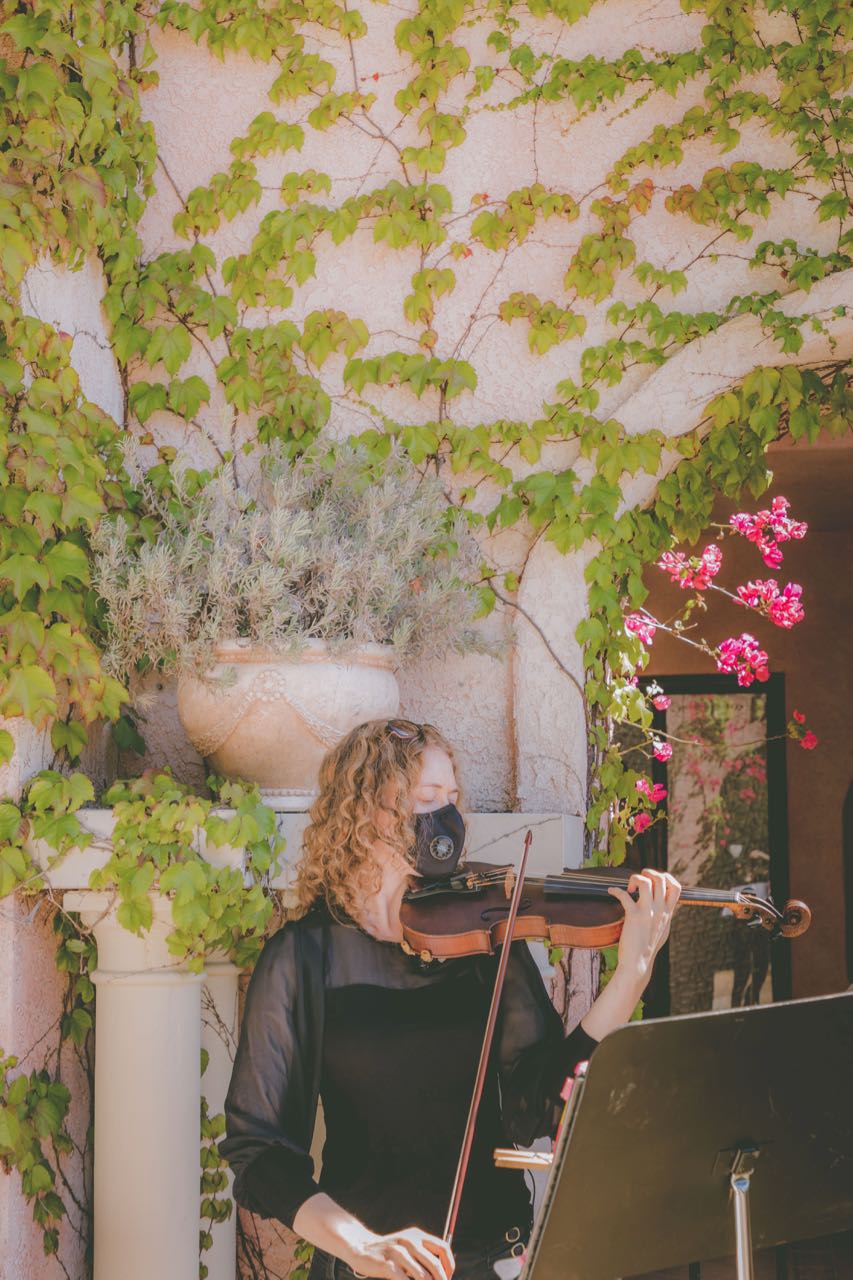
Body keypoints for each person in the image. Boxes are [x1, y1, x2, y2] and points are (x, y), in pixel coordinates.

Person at [219, 719, 681, 1280]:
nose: (447, 819)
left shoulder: (483, 938)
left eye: (452, 799)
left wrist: (631, 976)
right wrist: (363, 1247)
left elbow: (540, 1102)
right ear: (365, 813)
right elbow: (260, 1152)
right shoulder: (304, 958)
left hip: (493, 1262)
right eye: (425, 799)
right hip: (369, 1270)